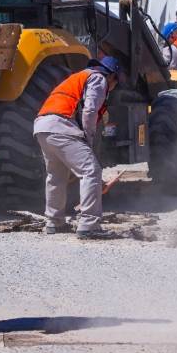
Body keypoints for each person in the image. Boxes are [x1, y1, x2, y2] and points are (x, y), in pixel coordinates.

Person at [34, 56, 123, 240]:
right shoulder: (99, 78)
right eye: (115, 83)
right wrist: (88, 140)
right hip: (61, 125)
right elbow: (90, 110)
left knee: (56, 176)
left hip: (42, 126)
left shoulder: (78, 77)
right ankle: (89, 224)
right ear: (112, 76)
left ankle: (55, 221)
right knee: (91, 170)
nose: (112, 87)